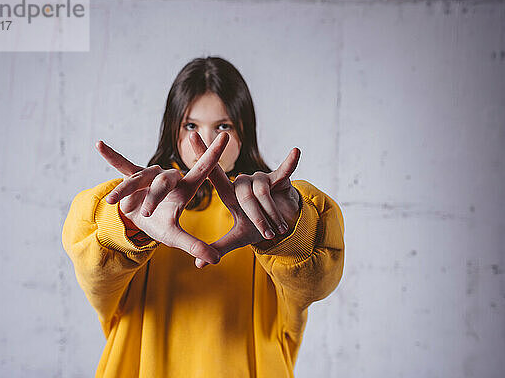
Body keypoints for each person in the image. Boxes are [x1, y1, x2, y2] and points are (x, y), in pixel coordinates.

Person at [62, 56, 345, 377]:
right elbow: (92, 270)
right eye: (191, 126)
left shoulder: (268, 214)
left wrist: (290, 227)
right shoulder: (146, 209)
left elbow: (317, 281)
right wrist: (125, 225)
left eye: (223, 127)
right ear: (172, 130)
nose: (206, 142)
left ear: (244, 131)